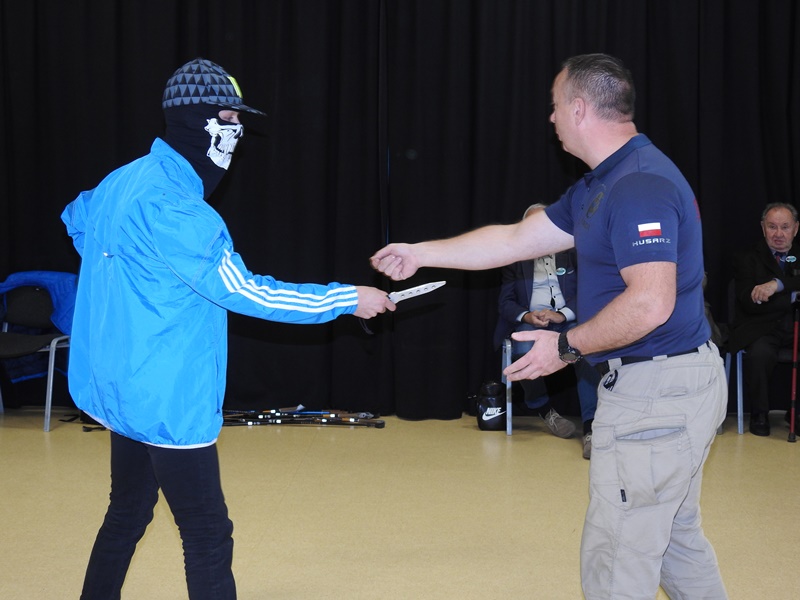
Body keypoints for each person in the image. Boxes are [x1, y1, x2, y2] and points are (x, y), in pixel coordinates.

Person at [371, 53, 727, 599]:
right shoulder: (601, 183)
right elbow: (517, 239)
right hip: (661, 385)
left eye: (556, 106)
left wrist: (565, 346)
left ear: (580, 108)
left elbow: (649, 303)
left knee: (618, 558)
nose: (552, 118)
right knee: (675, 543)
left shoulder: (638, 184)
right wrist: (421, 253)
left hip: (659, 392)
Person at [61, 58, 395, 600]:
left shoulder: (122, 180)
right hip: (166, 396)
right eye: (229, 117)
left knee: (127, 512)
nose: (237, 131)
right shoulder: (179, 210)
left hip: (119, 385)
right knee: (207, 534)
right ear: (195, 118)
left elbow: (76, 219)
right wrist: (347, 299)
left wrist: (127, 275)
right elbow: (245, 292)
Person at [494, 203, 599, 458]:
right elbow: (506, 302)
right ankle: (544, 409)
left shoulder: (573, 252)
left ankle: (590, 427)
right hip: (532, 320)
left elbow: (588, 291)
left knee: (584, 348)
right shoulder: (515, 259)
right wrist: (527, 315)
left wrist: (562, 314)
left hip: (568, 318)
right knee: (522, 347)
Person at [729, 202, 800, 436]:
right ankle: (759, 413)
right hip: (761, 328)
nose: (778, 234)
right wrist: (792, 296)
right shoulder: (746, 257)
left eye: (785, 227)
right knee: (759, 354)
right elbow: (749, 302)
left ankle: (796, 413)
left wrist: (776, 285)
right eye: (772, 227)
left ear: (796, 228)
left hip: (795, 326)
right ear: (762, 228)